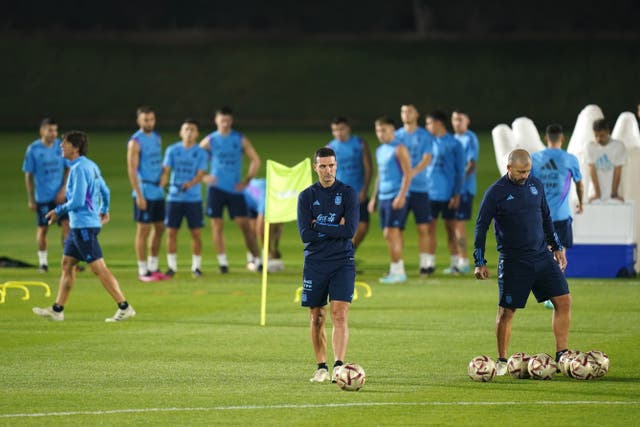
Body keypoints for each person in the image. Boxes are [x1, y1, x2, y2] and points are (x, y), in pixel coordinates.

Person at [474, 149, 571, 375]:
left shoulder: (535, 185)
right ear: (508, 168)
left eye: (527, 171)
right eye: (520, 172)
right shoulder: (495, 193)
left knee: (564, 300)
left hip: (541, 257)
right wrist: (479, 261)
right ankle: (501, 360)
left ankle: (562, 354)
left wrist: (556, 247)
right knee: (507, 312)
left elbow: (546, 217)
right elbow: (481, 226)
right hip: (513, 262)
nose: (525, 175)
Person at [32, 131, 136, 322]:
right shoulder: (91, 166)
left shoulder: (78, 168)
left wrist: (58, 211)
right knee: (67, 264)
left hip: (83, 226)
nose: (61, 146)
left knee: (99, 268)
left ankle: (124, 306)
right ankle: (57, 310)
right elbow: (105, 190)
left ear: (75, 147)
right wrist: (104, 209)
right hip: (81, 225)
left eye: (64, 143)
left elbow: (78, 200)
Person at [297, 147, 358, 383]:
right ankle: (321, 367)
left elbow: (350, 230)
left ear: (336, 165)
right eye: (322, 166)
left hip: (342, 261)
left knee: (339, 314)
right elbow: (305, 234)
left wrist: (318, 227)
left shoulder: (348, 193)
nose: (327, 170)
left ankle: (339, 366)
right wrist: (335, 229)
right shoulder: (306, 196)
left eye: (331, 165)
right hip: (315, 262)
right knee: (317, 317)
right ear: (315, 168)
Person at [200, 107, 261, 273]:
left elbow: (255, 160)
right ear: (216, 121)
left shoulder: (239, 139)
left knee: (245, 226)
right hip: (216, 189)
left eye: (227, 120)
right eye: (222, 121)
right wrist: (204, 176)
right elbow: (194, 156)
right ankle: (223, 263)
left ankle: (257, 259)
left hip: (235, 189)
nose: (225, 124)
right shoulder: (210, 140)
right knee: (217, 226)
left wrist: (247, 180)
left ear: (231, 121)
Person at [160, 119, 208, 277]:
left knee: (196, 233)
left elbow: (201, 174)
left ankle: (196, 267)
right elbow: (166, 169)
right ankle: (172, 267)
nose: (189, 132)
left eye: (192, 129)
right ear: (181, 132)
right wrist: (163, 179)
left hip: (193, 199)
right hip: (174, 198)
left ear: (197, 133)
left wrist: (190, 183)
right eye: (186, 129)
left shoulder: (201, 152)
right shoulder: (172, 150)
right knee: (172, 232)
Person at [367, 117, 412, 283]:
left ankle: (397, 271)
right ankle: (398, 270)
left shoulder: (399, 149)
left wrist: (401, 195)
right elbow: (380, 175)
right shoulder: (380, 150)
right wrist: (373, 198)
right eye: (378, 130)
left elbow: (408, 173)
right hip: (384, 197)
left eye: (384, 130)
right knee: (394, 235)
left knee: (390, 233)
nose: (380, 134)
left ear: (393, 130)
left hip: (395, 196)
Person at [22, 118, 69, 272]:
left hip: (60, 197)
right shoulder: (33, 149)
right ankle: (43, 263)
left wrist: (63, 190)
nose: (53, 134)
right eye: (50, 130)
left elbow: (68, 169)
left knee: (67, 227)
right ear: (42, 131)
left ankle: (68, 261)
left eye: (55, 130)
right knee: (43, 229)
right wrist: (31, 198)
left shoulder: (60, 147)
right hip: (43, 197)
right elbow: (28, 175)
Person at [126, 106, 167, 282]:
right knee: (143, 229)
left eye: (151, 119)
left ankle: (153, 266)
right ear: (139, 121)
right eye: (145, 120)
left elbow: (159, 163)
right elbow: (132, 169)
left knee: (159, 227)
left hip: (157, 191)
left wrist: (164, 176)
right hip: (144, 190)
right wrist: (139, 194)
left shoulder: (157, 138)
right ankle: (142, 270)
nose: (149, 122)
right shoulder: (135, 141)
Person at [424, 111, 465, 275]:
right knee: (429, 229)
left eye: (429, 123)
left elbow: (460, 171)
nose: (427, 127)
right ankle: (429, 264)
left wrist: (457, 193)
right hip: (429, 194)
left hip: (448, 194)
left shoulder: (455, 144)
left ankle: (455, 264)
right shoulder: (427, 143)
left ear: (438, 123)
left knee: (450, 229)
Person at [394, 104, 434, 275]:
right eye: (403, 111)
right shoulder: (396, 135)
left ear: (417, 114)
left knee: (423, 228)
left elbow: (427, 159)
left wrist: (411, 173)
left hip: (420, 188)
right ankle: (398, 265)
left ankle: (425, 264)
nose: (406, 114)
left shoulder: (424, 135)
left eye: (409, 111)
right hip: (401, 190)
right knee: (397, 229)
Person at [326, 117, 372, 255]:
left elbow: (368, 168)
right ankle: (343, 258)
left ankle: (348, 252)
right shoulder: (330, 148)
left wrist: (364, 189)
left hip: (358, 192)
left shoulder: (359, 143)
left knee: (363, 226)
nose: (339, 133)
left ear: (348, 128)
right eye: (335, 130)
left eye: (341, 129)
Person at [449, 109, 479, 274]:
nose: (456, 123)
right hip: (453, 190)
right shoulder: (454, 139)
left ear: (467, 121)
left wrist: (459, 184)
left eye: (460, 119)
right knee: (452, 225)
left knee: (459, 225)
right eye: (454, 119)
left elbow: (471, 164)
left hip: (464, 190)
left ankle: (464, 261)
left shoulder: (470, 138)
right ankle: (456, 261)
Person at [243, 177, 285, 272]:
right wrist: (269, 250)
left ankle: (264, 257)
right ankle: (254, 260)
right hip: (249, 195)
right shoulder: (267, 201)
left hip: (257, 192)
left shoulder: (281, 202)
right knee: (253, 231)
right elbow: (260, 230)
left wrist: (275, 247)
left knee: (270, 229)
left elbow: (279, 227)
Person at [586, 118, 626, 203]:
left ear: (608, 131)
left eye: (602, 135)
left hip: (612, 192)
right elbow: (592, 170)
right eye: (596, 136)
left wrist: (614, 193)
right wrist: (597, 193)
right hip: (595, 193)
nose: (598, 139)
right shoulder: (591, 146)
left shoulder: (618, 146)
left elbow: (618, 171)